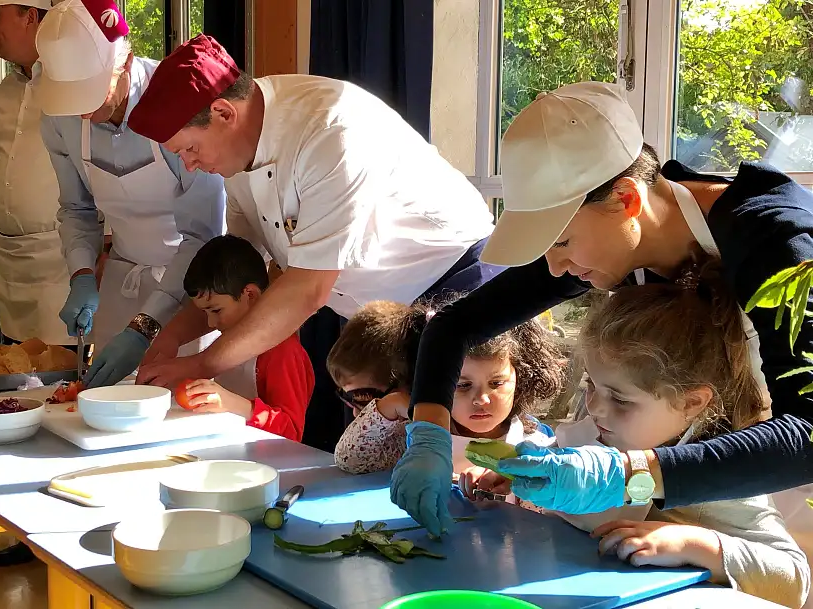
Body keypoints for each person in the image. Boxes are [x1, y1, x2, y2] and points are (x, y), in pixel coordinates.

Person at [390, 80, 813, 539]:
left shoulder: (778, 243)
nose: (554, 266)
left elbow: (808, 434)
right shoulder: (613, 240)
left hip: (773, 485)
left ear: (626, 198)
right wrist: (428, 437)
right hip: (674, 486)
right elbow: (453, 327)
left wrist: (627, 476)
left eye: (562, 241)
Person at [125, 35, 498, 451]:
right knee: (385, 454)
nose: (189, 164)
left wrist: (199, 363)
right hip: (376, 311)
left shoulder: (330, 131)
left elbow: (307, 287)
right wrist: (167, 340)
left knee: (469, 457)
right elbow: (232, 274)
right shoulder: (240, 153)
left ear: (223, 112)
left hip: (455, 285)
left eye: (189, 148)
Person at [464, 260, 810, 608]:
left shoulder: (723, 476)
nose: (596, 407)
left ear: (691, 402)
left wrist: (697, 545)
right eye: (591, 386)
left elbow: (795, 580)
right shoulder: (597, 432)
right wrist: (517, 478)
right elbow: (563, 473)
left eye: (620, 398)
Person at [35, 0, 225, 388]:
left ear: (126, 62)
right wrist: (82, 273)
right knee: (104, 402)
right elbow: (76, 208)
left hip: (193, 288)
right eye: (72, 100)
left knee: (183, 409)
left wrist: (146, 325)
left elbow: (202, 236)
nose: (83, 113)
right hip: (123, 280)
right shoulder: (58, 119)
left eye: (91, 95)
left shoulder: (178, 103)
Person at [327, 298, 562, 475]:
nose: (481, 399)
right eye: (462, 385)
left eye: (496, 383)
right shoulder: (412, 437)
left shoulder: (535, 442)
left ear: (522, 377)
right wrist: (392, 404)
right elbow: (350, 460)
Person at [0, 0, 75, 347]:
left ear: (30, 17)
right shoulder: (3, 94)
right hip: (10, 273)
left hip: (62, 271)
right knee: (18, 389)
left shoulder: (73, 89)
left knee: (64, 390)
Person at [178, 235, 314, 442]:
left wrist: (234, 404)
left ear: (250, 295)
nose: (211, 324)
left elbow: (292, 431)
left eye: (216, 310)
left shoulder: (283, 352)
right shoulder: (227, 336)